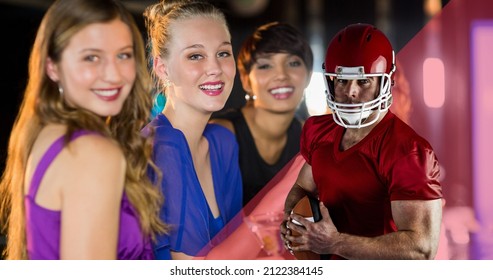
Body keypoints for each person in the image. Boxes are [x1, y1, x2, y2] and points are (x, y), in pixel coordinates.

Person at [0, 0, 166, 260]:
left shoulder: (46, 132)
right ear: (52, 67)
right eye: (92, 57)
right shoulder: (92, 152)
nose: (114, 75)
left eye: (123, 55)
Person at [281, 23, 443, 260]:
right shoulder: (318, 130)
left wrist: (335, 243)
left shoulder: (408, 151)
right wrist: (291, 220)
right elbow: (303, 188)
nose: (350, 92)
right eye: (342, 81)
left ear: (384, 83)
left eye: (363, 81)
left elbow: (422, 248)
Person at [141, 0, 242, 260]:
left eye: (223, 53)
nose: (215, 69)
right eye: (195, 56)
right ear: (162, 69)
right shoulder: (161, 147)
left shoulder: (223, 142)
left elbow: (239, 246)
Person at [211, 22, 313, 207]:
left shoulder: (311, 138)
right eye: (266, 66)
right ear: (246, 80)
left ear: (308, 75)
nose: (282, 75)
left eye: (293, 63)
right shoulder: (220, 136)